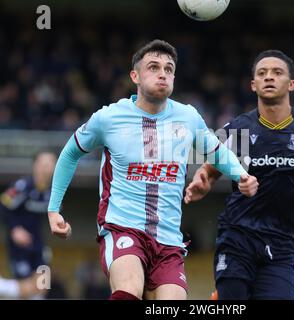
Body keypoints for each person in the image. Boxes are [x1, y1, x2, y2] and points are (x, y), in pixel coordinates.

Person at [47, 39, 258, 300]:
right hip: (122, 228)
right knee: (128, 292)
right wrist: (54, 208)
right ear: (134, 76)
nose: (163, 73)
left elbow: (218, 152)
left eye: (169, 69)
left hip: (168, 240)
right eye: (154, 67)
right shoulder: (109, 118)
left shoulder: (188, 117)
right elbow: (70, 153)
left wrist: (241, 176)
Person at [185, 50, 294, 300]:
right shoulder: (237, 130)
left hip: (283, 241)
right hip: (237, 235)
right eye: (262, 73)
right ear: (253, 85)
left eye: (277, 73)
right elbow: (210, 170)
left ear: (292, 84)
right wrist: (203, 180)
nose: (269, 77)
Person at [0, 150, 57, 299]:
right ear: (35, 166)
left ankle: (5, 289)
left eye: (51, 163)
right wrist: (14, 229)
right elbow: (3, 205)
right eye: (43, 163)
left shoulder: (53, 192)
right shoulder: (23, 186)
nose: (47, 167)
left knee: (43, 284)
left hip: (38, 244)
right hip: (20, 245)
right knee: (27, 286)